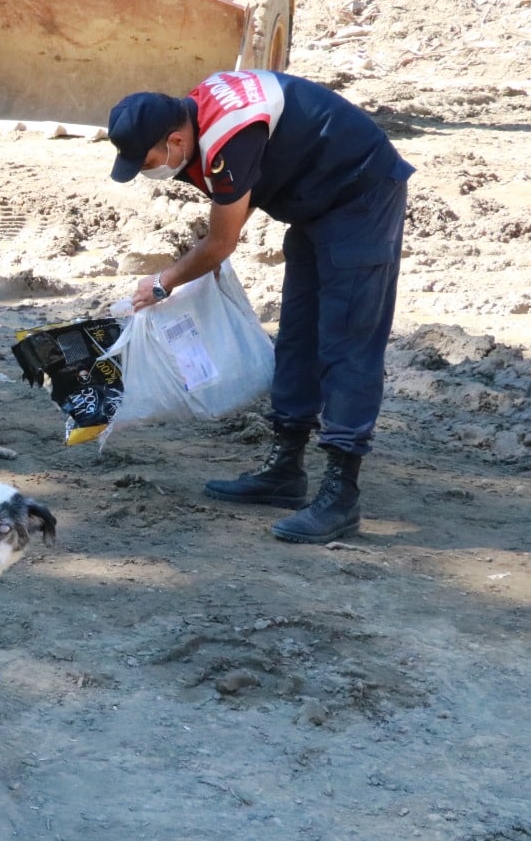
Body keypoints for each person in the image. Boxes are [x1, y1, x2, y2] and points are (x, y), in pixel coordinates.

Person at [107, 70, 413, 543]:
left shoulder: (227, 134)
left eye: (148, 161)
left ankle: (341, 494)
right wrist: (199, 262)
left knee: (347, 343)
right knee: (297, 336)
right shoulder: (195, 113)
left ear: (173, 139)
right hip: (315, 203)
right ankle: (286, 469)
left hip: (361, 196)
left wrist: (165, 283)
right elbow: (237, 201)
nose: (148, 170)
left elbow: (223, 240)